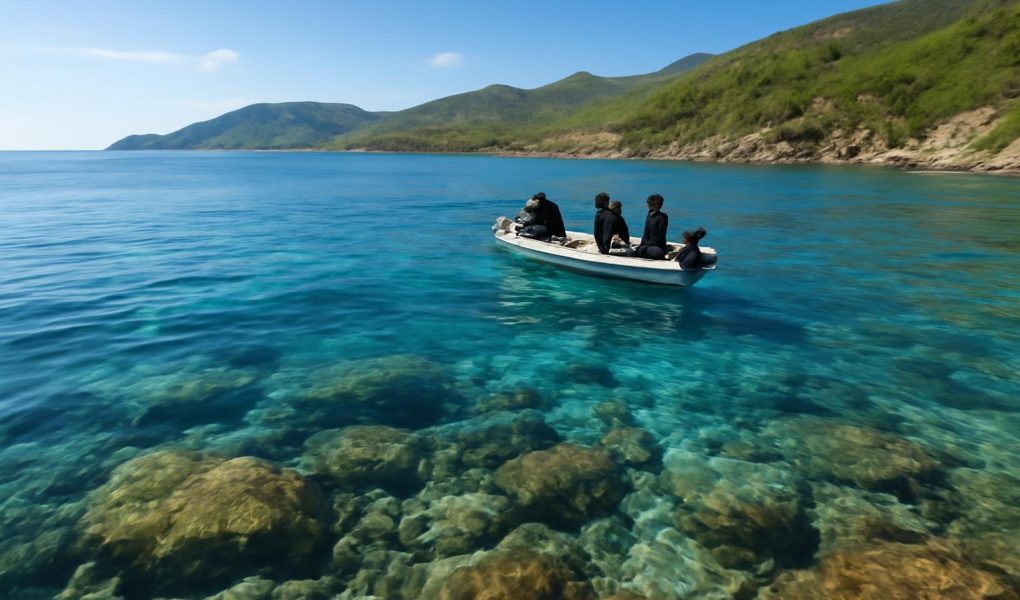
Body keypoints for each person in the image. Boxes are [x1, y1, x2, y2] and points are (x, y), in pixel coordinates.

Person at [635, 194, 668, 259]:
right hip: (646, 245)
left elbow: (660, 235)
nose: (648, 205)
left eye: (651, 204)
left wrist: (647, 244)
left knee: (657, 253)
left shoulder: (662, 217)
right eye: (649, 204)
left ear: (658, 205)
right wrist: (642, 244)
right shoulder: (649, 216)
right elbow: (645, 233)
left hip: (656, 246)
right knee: (632, 252)